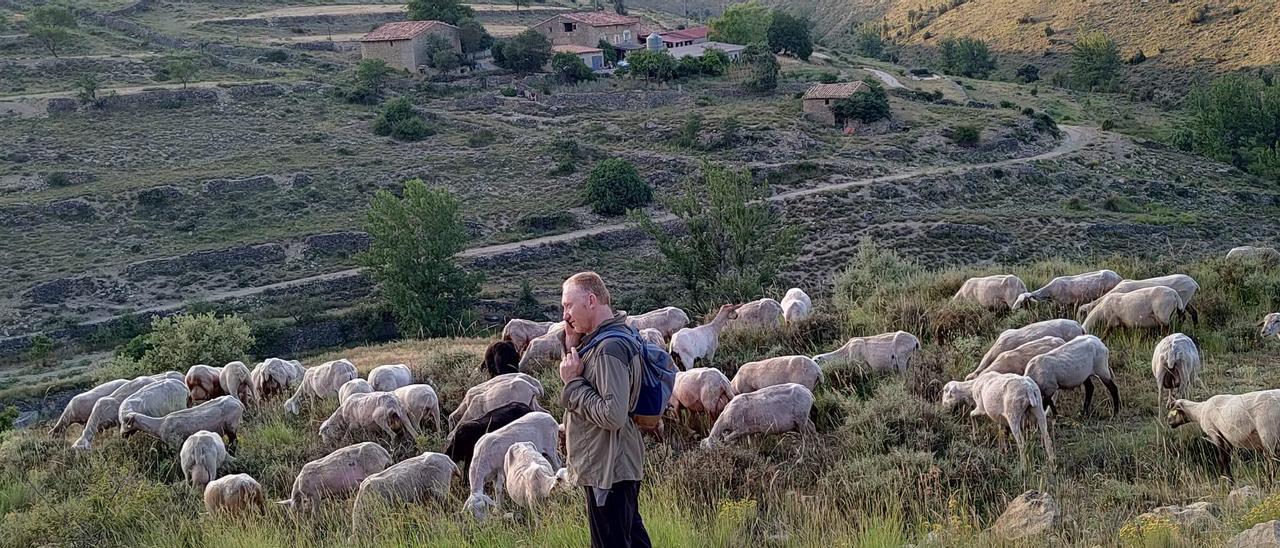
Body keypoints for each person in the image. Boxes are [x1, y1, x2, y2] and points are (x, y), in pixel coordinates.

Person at [558, 271, 651, 548]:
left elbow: (613, 414)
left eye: (568, 305)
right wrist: (572, 348)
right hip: (615, 464)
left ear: (590, 300)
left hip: (608, 469)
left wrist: (573, 385)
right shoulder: (612, 338)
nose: (565, 315)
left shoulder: (609, 348)